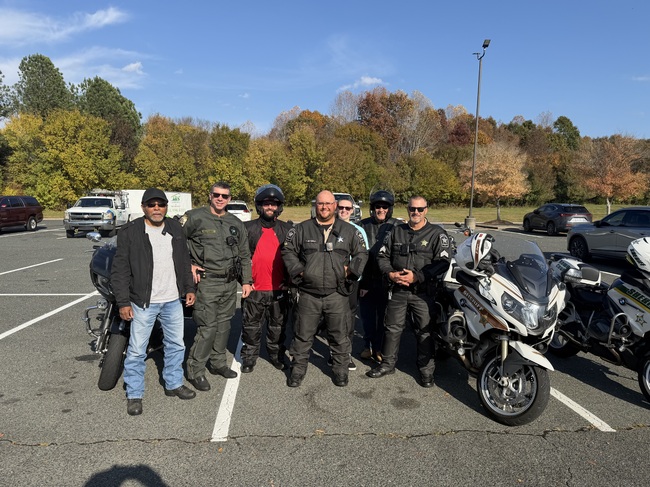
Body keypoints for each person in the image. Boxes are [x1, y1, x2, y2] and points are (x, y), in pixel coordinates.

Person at [112, 187, 197, 416]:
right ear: (143, 208)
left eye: (161, 204)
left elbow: (184, 261)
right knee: (137, 350)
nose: (156, 208)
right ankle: (135, 394)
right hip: (143, 302)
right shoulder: (130, 232)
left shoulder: (175, 228)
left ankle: (173, 383)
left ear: (166, 207)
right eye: (152, 205)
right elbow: (120, 270)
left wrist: (189, 288)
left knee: (176, 345)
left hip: (172, 300)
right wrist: (123, 302)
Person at [282, 190, 368, 387]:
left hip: (336, 294)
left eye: (328, 203)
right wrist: (300, 271)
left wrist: (351, 270)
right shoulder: (302, 229)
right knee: (302, 336)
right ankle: (297, 371)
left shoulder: (349, 230)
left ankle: (340, 371)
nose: (324, 207)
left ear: (334, 206)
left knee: (339, 336)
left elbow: (362, 253)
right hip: (308, 294)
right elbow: (287, 251)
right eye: (321, 203)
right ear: (316, 205)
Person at [366, 196, 450, 388]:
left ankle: (426, 371)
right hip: (398, 289)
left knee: (424, 331)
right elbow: (382, 256)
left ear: (426, 210)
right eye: (412, 209)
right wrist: (390, 273)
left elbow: (443, 262)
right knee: (392, 328)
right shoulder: (397, 231)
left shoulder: (437, 234)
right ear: (408, 209)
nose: (416, 212)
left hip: (423, 292)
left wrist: (418, 276)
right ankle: (387, 364)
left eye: (420, 209)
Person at [180, 182, 252, 392]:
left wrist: (246, 281)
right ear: (210, 195)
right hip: (207, 282)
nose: (220, 199)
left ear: (229, 198)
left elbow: (244, 254)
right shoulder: (194, 218)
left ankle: (218, 363)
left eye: (225, 196)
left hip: (229, 283)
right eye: (217, 195)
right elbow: (176, 242)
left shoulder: (235, 223)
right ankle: (195, 370)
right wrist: (188, 264)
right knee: (207, 327)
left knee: (223, 326)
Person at [240, 184, 293, 373]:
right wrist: (245, 281)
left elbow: (297, 257)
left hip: (279, 289)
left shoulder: (287, 230)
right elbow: (239, 258)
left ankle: (276, 356)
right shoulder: (247, 229)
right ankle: (249, 358)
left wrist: (291, 282)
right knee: (251, 328)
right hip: (254, 289)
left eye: (273, 204)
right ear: (259, 206)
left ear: (279, 207)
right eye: (266, 203)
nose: (270, 207)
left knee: (277, 328)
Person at [358, 189, 398, 363]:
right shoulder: (362, 226)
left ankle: (379, 347)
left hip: (387, 280)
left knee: (384, 317)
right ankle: (367, 345)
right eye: (377, 207)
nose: (381, 210)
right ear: (372, 208)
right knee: (367, 316)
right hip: (366, 279)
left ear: (390, 209)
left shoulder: (397, 226)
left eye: (384, 207)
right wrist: (363, 283)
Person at [334, 195, 368, 371]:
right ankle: (334, 352)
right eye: (341, 207)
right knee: (332, 318)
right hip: (330, 281)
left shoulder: (358, 230)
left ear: (352, 210)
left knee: (348, 319)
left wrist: (352, 273)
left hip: (350, 282)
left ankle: (345, 354)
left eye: (347, 208)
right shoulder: (328, 227)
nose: (344, 211)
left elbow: (363, 256)